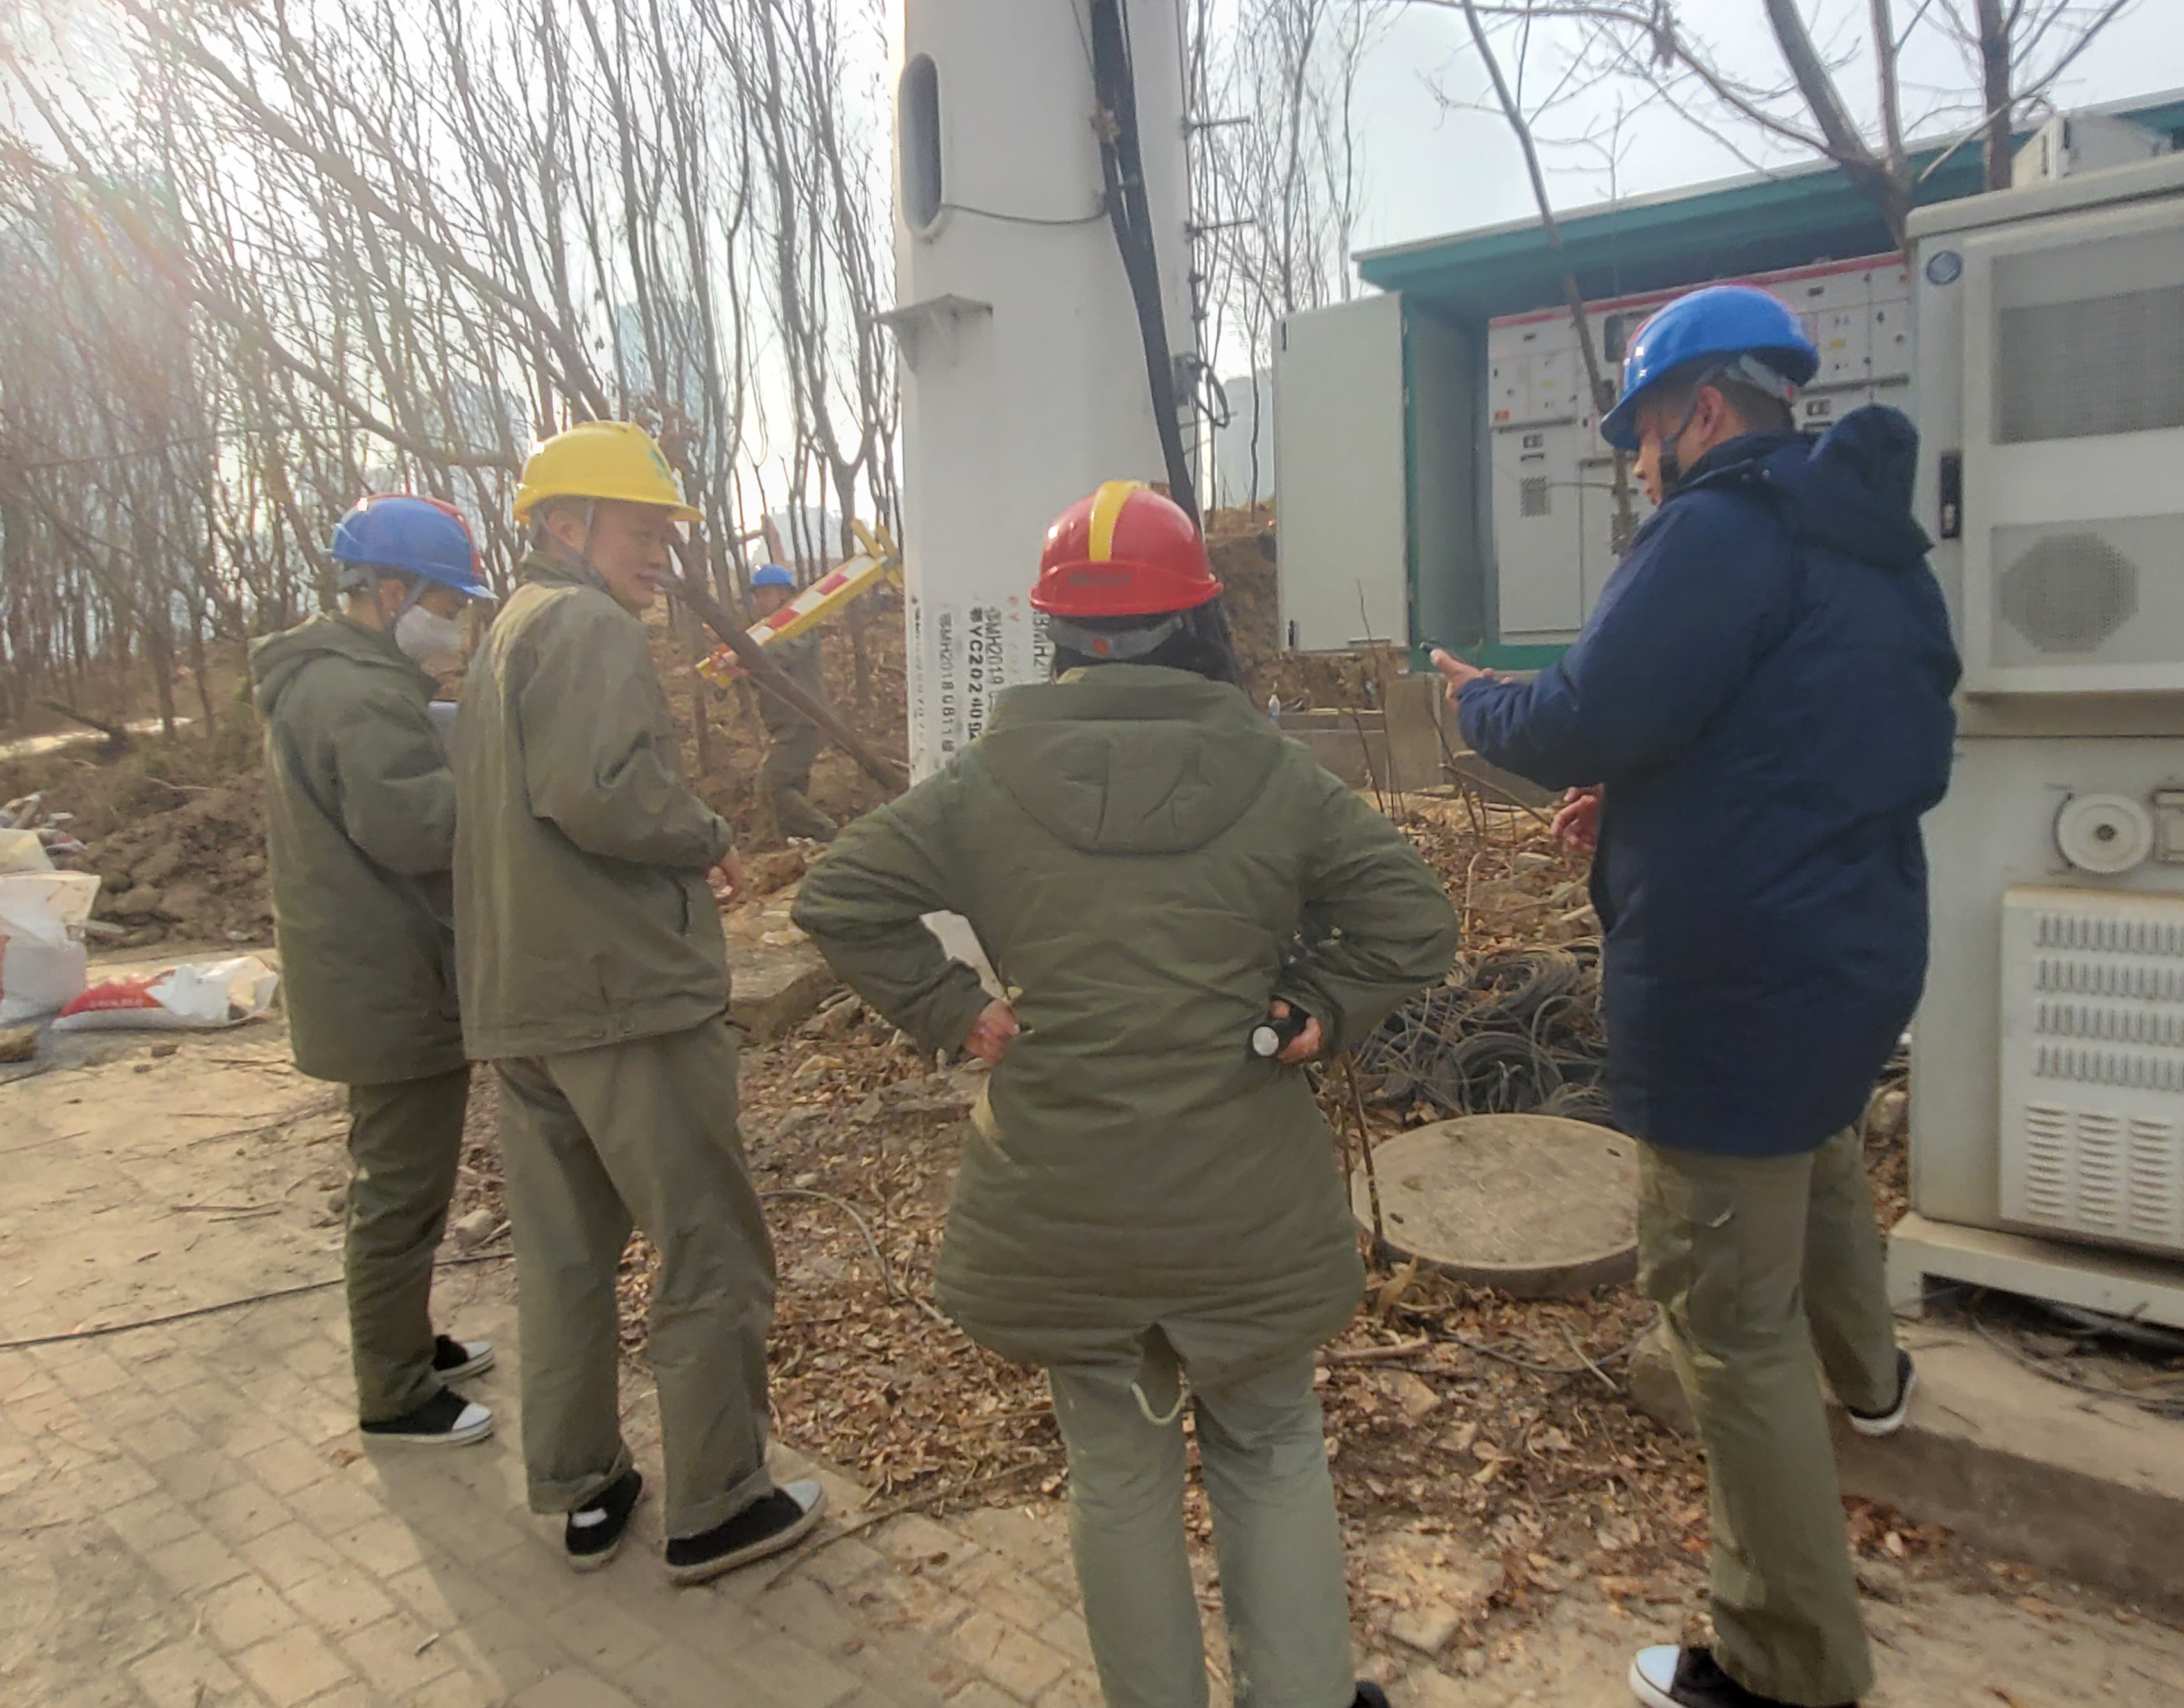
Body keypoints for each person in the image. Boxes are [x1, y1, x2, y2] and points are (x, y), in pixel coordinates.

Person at [793, 480, 1457, 1708]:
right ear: (1198, 619)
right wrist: (1317, 1006)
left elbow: (838, 897)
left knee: (1116, 1472)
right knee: (1268, 1447)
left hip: (1068, 1196)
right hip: (1241, 1193)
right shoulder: (1272, 767)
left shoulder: (989, 777)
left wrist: (956, 1010)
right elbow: (1413, 919)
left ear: (1058, 630)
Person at [1433, 286, 1959, 1708]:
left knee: (1725, 1325)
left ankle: (1783, 1663)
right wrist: (1653, 803)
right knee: (1818, 1147)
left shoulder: (1717, 531)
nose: (1636, 462)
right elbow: (1802, 732)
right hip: (1849, 949)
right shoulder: (1871, 548)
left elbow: (1583, 713)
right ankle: (1874, 1383)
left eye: (1642, 434)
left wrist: (1475, 705)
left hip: (1731, 978)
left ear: (1700, 413)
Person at [450, 420, 822, 1582]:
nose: (661, 551)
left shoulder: (503, 633)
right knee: (707, 1245)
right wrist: (705, 834)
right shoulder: (587, 626)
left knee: (564, 1257)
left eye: (666, 531)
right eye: (639, 527)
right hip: (626, 1002)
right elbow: (601, 793)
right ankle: (718, 1501)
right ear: (565, 525)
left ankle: (582, 1484)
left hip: (529, 1001)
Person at [254, 494, 498, 1448]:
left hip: (372, 967)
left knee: (401, 1181)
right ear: (388, 590)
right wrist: (495, 788)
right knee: (399, 1189)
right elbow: (415, 829)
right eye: (447, 602)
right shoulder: (352, 695)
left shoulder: (339, 680)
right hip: (388, 979)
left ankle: (406, 1341)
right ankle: (395, 1393)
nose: (457, 623)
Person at [744, 562, 837, 843]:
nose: (759, 600)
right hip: (787, 724)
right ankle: (800, 848)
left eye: (764, 593)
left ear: (784, 594)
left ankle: (830, 834)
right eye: (757, 594)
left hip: (802, 723)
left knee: (771, 786)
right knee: (791, 790)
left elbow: (778, 657)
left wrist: (745, 656)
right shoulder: (769, 631)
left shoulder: (800, 623)